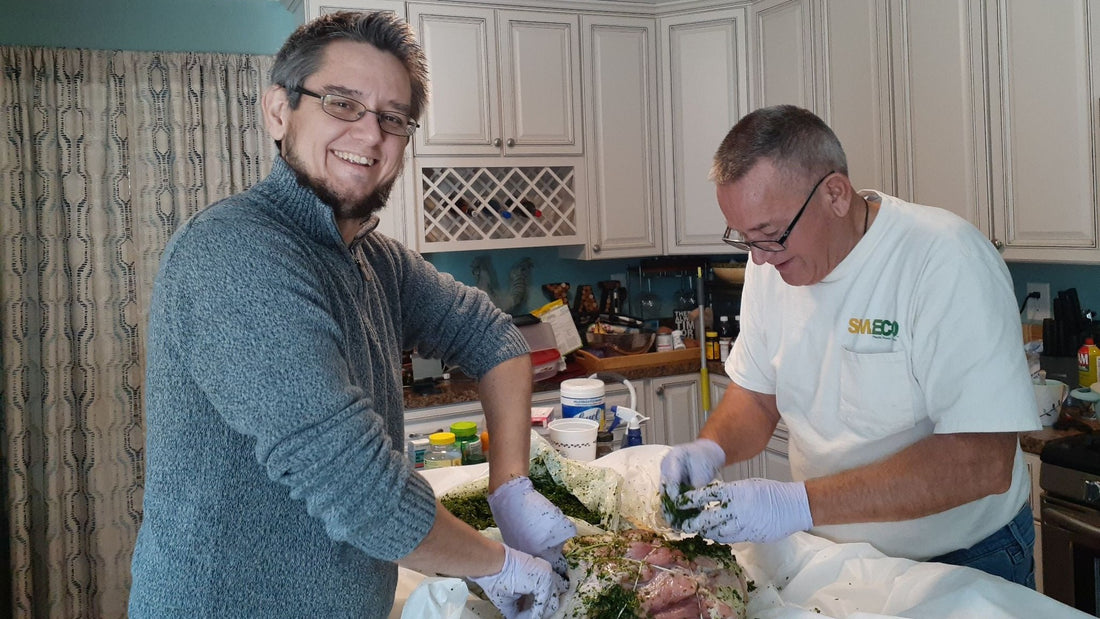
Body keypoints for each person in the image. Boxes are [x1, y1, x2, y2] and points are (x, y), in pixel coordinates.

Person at [128, 11, 574, 618]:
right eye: (342, 104)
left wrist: (511, 489)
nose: (370, 136)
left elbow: (496, 339)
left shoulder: (376, 261)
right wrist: (502, 565)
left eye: (393, 118)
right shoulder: (231, 253)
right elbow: (361, 490)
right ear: (279, 111)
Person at [660, 104, 1041, 587]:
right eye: (744, 239)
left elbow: (982, 461)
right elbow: (757, 397)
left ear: (835, 194)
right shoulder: (770, 264)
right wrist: (710, 449)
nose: (757, 257)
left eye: (769, 235)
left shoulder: (944, 259)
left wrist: (797, 503)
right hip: (831, 558)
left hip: (958, 562)